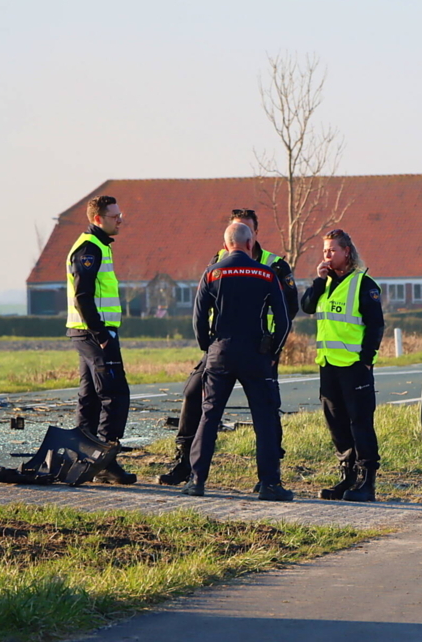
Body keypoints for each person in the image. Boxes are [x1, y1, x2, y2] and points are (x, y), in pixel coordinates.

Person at [158, 209, 298, 486]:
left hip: (220, 351)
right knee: (264, 416)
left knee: (210, 416)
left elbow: (198, 318)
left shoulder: (213, 272)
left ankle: (196, 480)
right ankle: (270, 483)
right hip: (257, 353)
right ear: (249, 241)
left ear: (227, 243)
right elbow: (284, 319)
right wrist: (273, 349)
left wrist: (208, 347)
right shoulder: (267, 273)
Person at [301, 229, 384, 502]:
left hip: (354, 365)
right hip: (328, 364)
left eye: (332, 250)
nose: (327, 255)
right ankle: (347, 476)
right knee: (336, 423)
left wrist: (366, 360)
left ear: (346, 252)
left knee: (360, 422)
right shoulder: (324, 283)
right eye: (325, 251)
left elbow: (375, 325)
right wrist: (318, 280)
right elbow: (307, 306)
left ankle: (366, 482)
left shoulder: (363, 284)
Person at [66, 195, 136, 484]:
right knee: (116, 394)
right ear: (98, 219)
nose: (120, 220)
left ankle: (83, 461)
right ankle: (105, 461)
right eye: (114, 216)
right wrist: (101, 334)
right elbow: (82, 296)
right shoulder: (90, 249)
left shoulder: (100, 246)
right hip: (94, 333)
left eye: (120, 215)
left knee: (91, 397)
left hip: (88, 332)